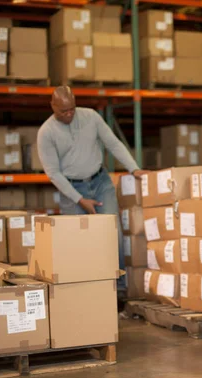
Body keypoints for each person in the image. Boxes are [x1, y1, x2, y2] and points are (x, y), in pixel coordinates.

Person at [37, 86, 146, 290]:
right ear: (52, 106)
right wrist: (79, 199)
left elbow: (113, 144)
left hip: (100, 182)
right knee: (78, 242)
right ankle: (84, 290)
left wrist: (134, 168)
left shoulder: (91, 117)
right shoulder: (46, 133)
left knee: (113, 234)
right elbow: (53, 173)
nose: (69, 114)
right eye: (63, 111)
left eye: (72, 109)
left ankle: (119, 288)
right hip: (71, 191)